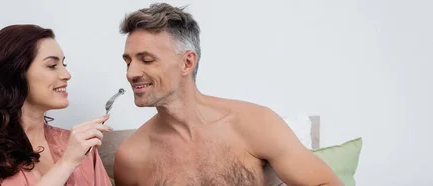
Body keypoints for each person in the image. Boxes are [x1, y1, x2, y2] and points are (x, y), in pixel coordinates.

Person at [113, 3, 344, 186]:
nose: (131, 73)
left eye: (147, 60)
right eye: (128, 62)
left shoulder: (254, 123)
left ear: (187, 62)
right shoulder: (132, 158)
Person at [0, 24, 113, 186]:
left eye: (64, 64)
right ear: (15, 73)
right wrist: (67, 163)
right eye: (51, 66)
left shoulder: (78, 145)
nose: (66, 74)